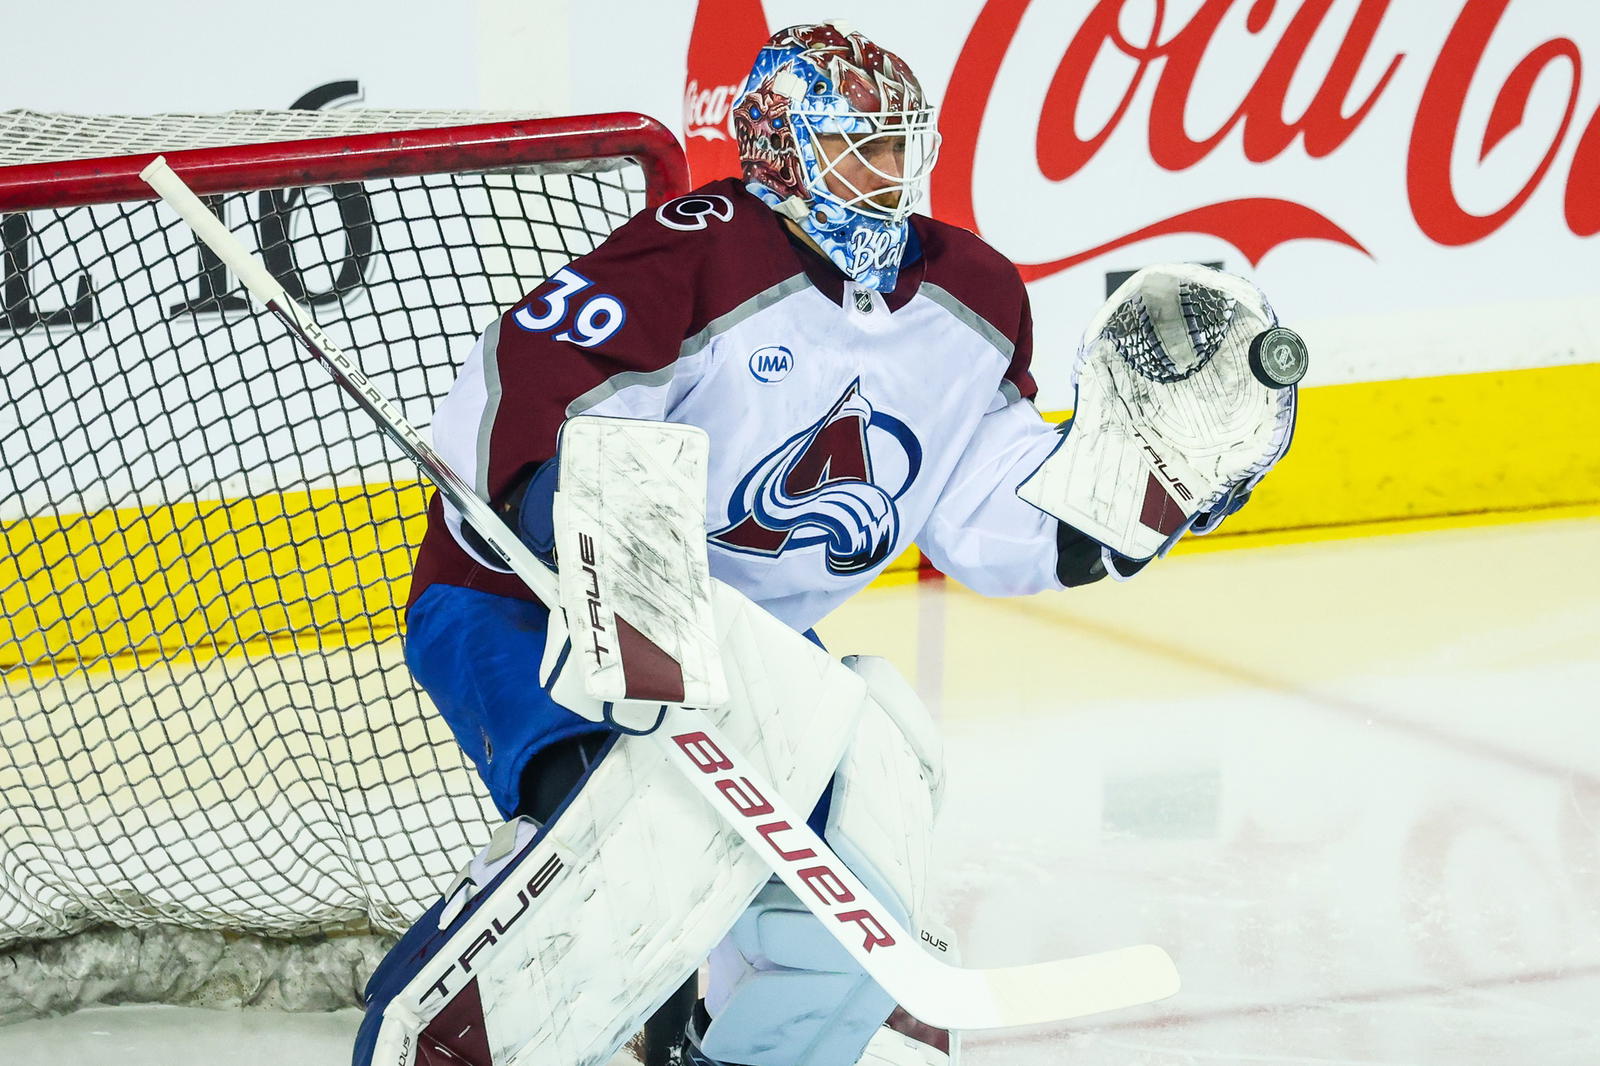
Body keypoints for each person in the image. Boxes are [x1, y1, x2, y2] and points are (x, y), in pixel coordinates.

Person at [354, 20, 1292, 1066]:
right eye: (859, 144)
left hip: (744, 647)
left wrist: (1133, 497)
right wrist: (594, 536)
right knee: (623, 838)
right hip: (525, 605)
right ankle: (429, 1034)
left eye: (899, 145)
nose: (889, 170)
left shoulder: (973, 295)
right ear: (782, 150)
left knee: (870, 841)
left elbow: (988, 507)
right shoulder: (700, 250)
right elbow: (522, 378)